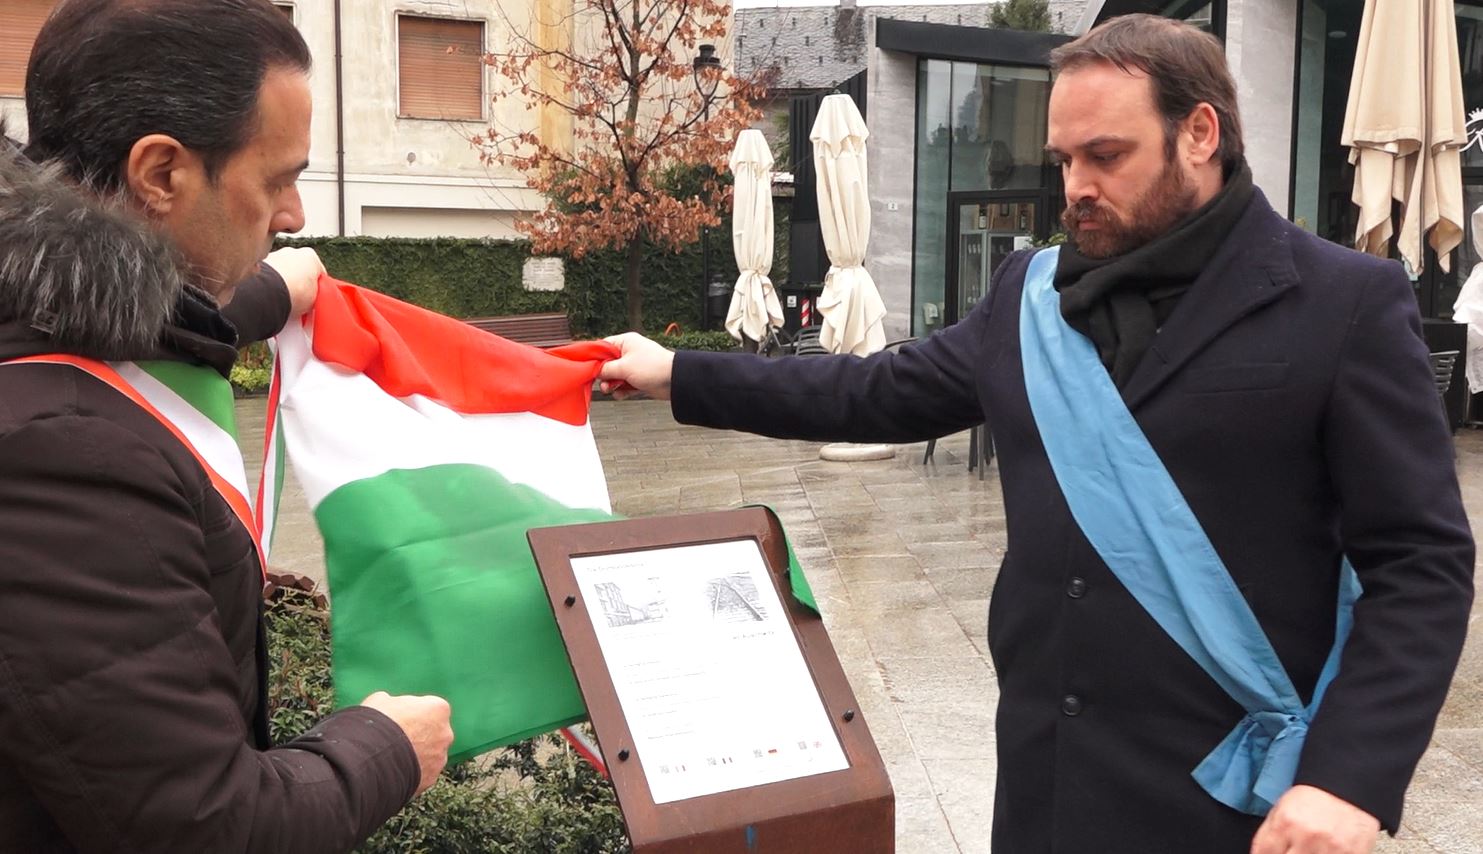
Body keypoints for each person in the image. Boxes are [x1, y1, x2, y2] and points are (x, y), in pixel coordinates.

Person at [598, 15, 1475, 854]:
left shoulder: (1342, 302)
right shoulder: (1030, 293)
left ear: (1200, 134)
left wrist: (1348, 777)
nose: (1075, 187)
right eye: (1064, 159)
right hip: (1047, 779)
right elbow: (876, 393)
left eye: (1106, 156)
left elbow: (1418, 562)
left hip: (1235, 796)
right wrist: (679, 372)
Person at [0, 1, 453, 851]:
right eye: (277, 178)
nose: (293, 214)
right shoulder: (59, 455)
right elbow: (206, 824)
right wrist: (387, 748)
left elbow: (142, 325)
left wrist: (268, 294)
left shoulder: (40, 320)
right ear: (161, 173)